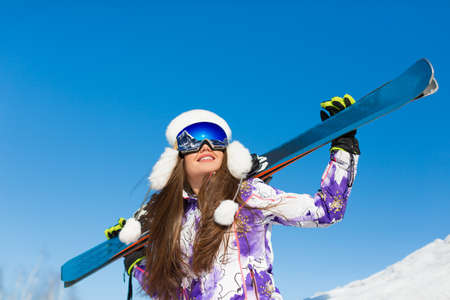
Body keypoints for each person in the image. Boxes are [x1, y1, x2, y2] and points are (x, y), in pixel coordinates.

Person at [106, 95, 360, 300]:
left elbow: (326, 211)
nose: (205, 145)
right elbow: (167, 291)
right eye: (192, 139)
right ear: (178, 156)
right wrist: (135, 260)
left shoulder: (248, 194)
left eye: (215, 138)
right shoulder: (170, 218)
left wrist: (343, 146)